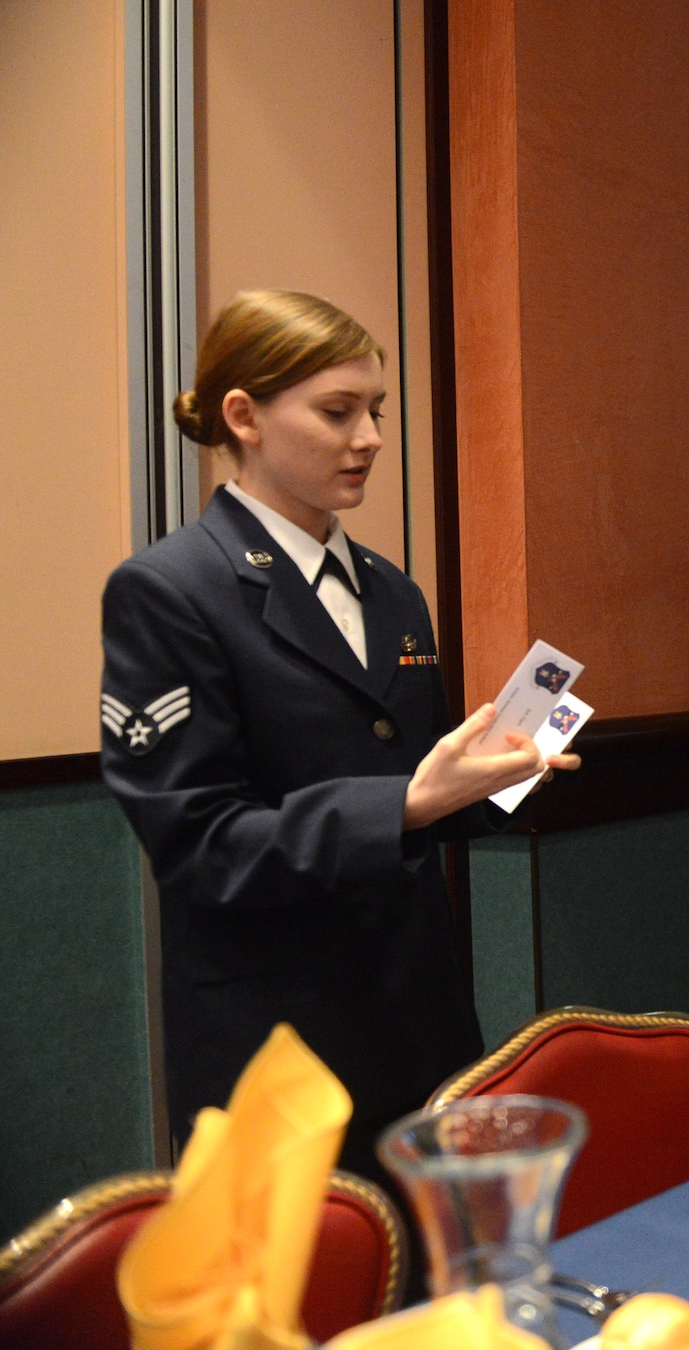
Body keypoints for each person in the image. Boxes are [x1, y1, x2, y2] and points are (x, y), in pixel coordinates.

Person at [99, 290, 579, 1175]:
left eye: (377, 411)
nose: (371, 438)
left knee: (437, 1300)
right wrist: (402, 803)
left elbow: (423, 790)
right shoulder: (169, 592)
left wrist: (504, 777)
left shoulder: (393, 591)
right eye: (337, 411)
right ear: (242, 415)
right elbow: (201, 844)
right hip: (277, 1043)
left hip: (419, 1024)